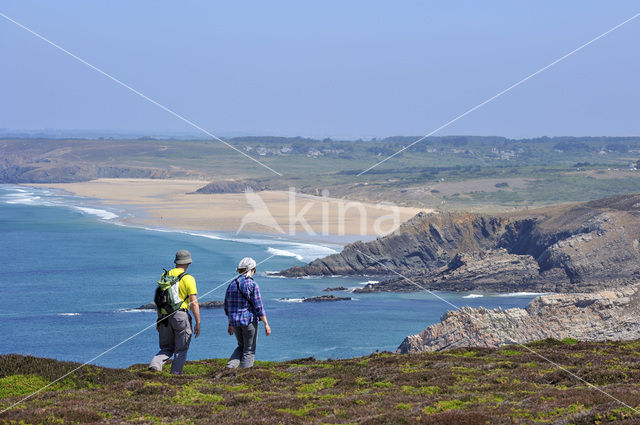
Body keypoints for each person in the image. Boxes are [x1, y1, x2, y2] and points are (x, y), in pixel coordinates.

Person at [148, 249, 201, 375]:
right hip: (181, 317)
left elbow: (160, 300)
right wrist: (198, 322)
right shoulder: (188, 278)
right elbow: (193, 302)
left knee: (166, 348)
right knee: (181, 349)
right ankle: (175, 376)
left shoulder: (164, 276)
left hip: (165, 316)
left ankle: (155, 364)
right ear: (188, 263)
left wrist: (159, 319)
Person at [224, 257, 271, 368]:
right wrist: (266, 324)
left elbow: (227, 306)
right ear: (251, 269)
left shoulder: (231, 284)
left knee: (241, 346)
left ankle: (230, 368)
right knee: (249, 350)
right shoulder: (252, 284)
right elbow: (259, 306)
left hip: (235, 322)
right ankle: (245, 377)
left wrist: (230, 323)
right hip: (248, 321)